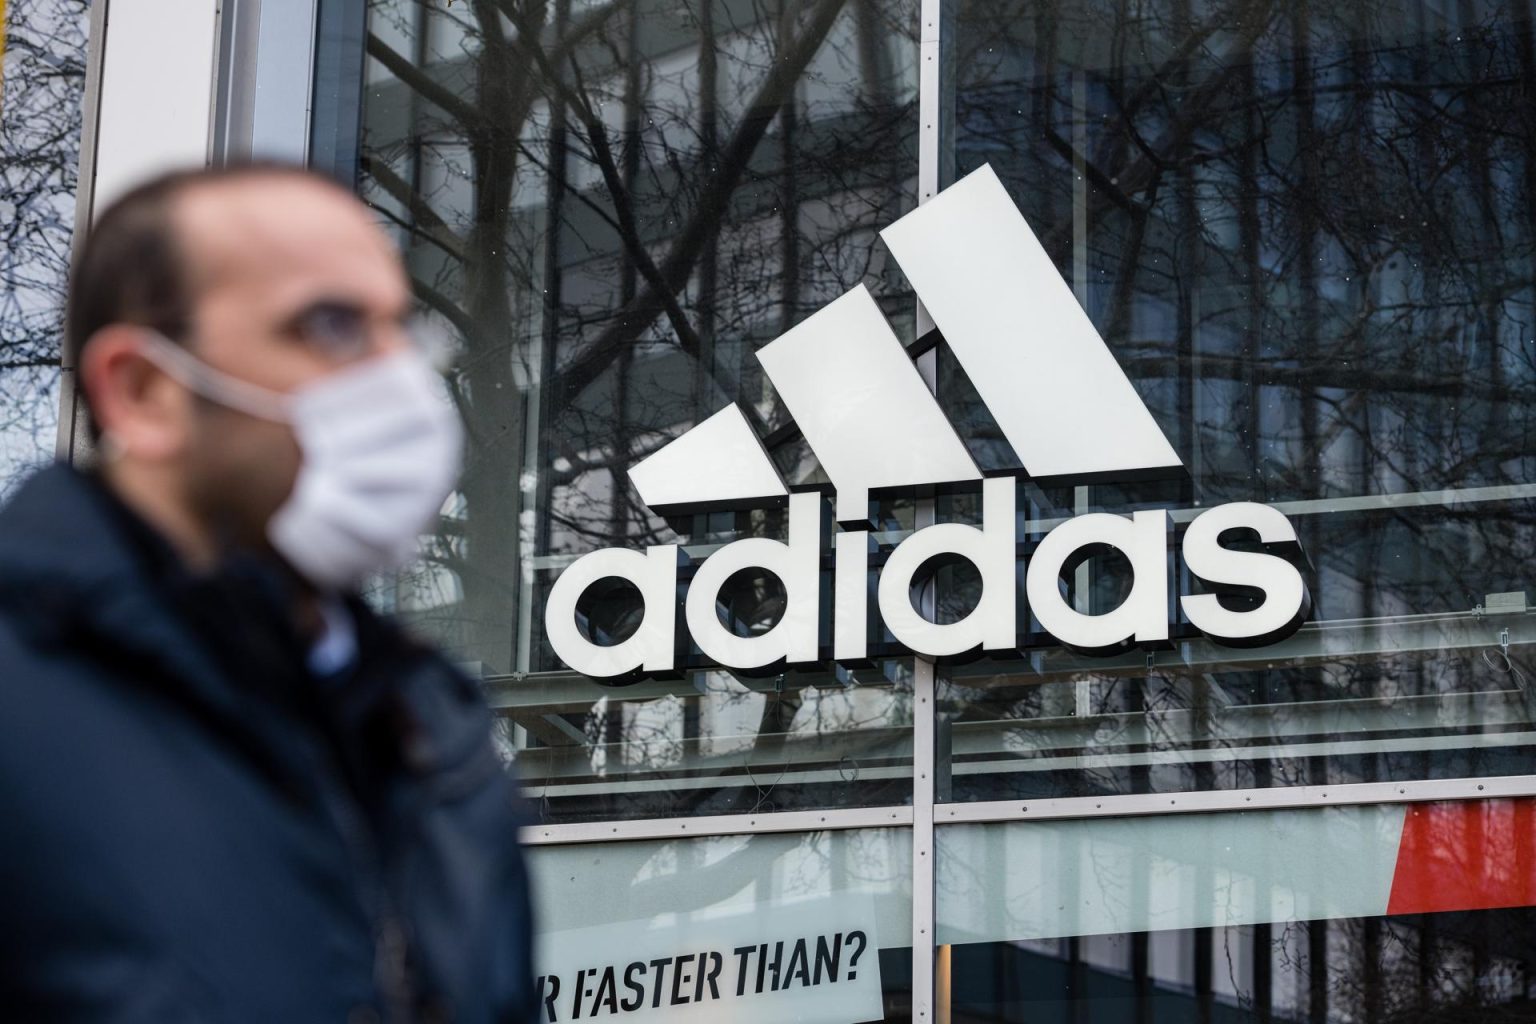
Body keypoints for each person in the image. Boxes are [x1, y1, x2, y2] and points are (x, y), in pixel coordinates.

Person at [0, 164, 536, 1023]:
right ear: (144, 392)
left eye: (399, 327)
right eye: (331, 325)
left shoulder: (436, 733)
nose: (402, 379)